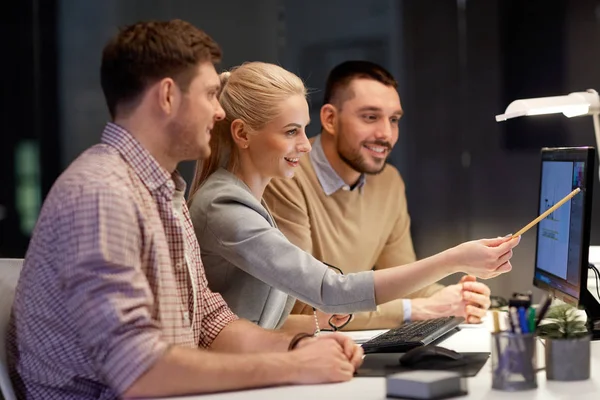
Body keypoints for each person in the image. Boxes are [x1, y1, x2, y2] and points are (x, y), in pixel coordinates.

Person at [6, 20, 364, 400]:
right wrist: (294, 367)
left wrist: (298, 348)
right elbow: (137, 371)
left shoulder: (163, 193)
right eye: (210, 94)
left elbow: (211, 323)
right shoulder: (101, 194)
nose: (219, 113)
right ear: (167, 97)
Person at [187, 61, 520, 335]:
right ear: (243, 134)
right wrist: (452, 261)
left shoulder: (249, 198)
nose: (304, 145)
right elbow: (326, 292)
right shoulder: (229, 204)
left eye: (394, 120)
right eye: (291, 132)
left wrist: (452, 297)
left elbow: (392, 280)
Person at [262, 60, 495, 330]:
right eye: (370, 117)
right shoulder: (285, 177)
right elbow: (303, 309)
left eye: (393, 119)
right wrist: (414, 309)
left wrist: (457, 298)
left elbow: (406, 284)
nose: (386, 134)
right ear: (329, 119)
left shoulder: (389, 183)